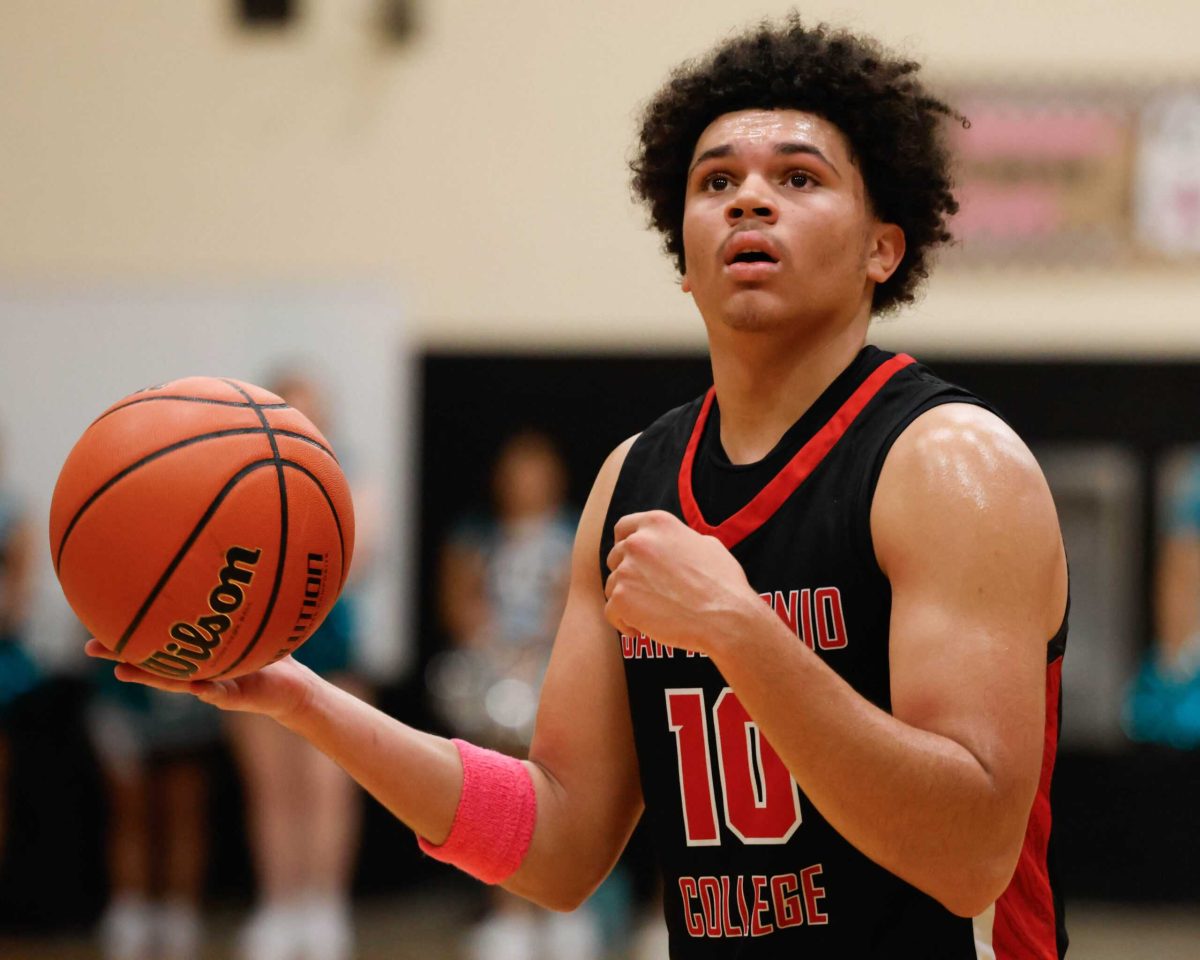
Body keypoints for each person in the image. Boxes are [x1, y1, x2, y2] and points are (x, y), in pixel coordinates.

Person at [89, 15, 1070, 958]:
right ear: (682, 257)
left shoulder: (951, 466)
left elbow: (969, 855)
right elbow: (559, 845)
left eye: (799, 177)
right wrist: (304, 702)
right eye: (716, 180)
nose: (749, 199)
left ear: (881, 249)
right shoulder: (634, 481)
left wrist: (739, 632)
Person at [432, 430, 605, 960]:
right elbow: (458, 600)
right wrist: (494, 652)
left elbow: (577, 603)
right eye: (516, 471)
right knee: (496, 788)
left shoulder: (577, 530)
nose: (525, 482)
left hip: (555, 671)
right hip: (492, 673)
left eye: (536, 470)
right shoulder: (476, 534)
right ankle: (508, 913)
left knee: (565, 786)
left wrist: (537, 658)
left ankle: (566, 913)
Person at [227, 369, 371, 960]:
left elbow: (355, 559)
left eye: (312, 412)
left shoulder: (351, 482)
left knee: (327, 787)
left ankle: (325, 907)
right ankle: (280, 906)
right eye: (289, 410)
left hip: (330, 657)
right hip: (254, 652)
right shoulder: (234, 485)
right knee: (272, 788)